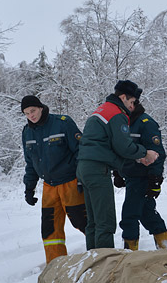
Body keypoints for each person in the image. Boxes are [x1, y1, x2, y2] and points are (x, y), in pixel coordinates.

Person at [77, 80, 158, 250]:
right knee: (105, 223)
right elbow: (123, 146)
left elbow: (106, 146)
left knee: (93, 222)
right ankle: (105, 266)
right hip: (98, 170)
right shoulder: (116, 113)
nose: (133, 106)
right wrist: (145, 154)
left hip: (84, 168)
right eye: (132, 102)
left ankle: (92, 263)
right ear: (123, 97)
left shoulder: (100, 110)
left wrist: (132, 160)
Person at [21, 95, 87, 263]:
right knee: (50, 231)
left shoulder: (62, 123)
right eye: (27, 113)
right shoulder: (27, 132)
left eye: (33, 111)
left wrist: (82, 178)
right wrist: (29, 187)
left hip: (70, 183)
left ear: (41, 108)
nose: (31, 116)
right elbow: (30, 162)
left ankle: (101, 255)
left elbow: (81, 151)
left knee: (82, 222)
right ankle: (56, 267)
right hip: (49, 187)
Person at [114, 88, 167, 251]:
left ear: (133, 104)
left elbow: (158, 152)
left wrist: (155, 179)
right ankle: (165, 247)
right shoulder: (123, 122)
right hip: (131, 176)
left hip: (143, 177)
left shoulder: (146, 123)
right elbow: (122, 150)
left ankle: (129, 254)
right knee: (147, 214)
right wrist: (117, 172)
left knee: (129, 215)